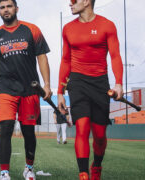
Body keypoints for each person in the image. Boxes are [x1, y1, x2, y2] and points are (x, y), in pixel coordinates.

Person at [0, 0, 52, 179]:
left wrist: (47, 84)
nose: (6, 10)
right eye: (2, 7)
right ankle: (4, 173)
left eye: (9, 6)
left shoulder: (32, 30)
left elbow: (42, 57)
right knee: (6, 128)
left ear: (16, 9)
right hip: (5, 89)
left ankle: (29, 168)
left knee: (28, 131)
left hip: (30, 88)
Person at [57, 0, 124, 179]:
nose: (70, 4)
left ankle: (97, 166)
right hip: (77, 82)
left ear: (86, 1)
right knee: (82, 126)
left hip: (100, 83)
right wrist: (60, 92)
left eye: (74, 0)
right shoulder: (68, 29)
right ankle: (83, 174)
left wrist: (118, 83)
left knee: (100, 135)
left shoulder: (107, 25)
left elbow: (115, 56)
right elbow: (65, 60)